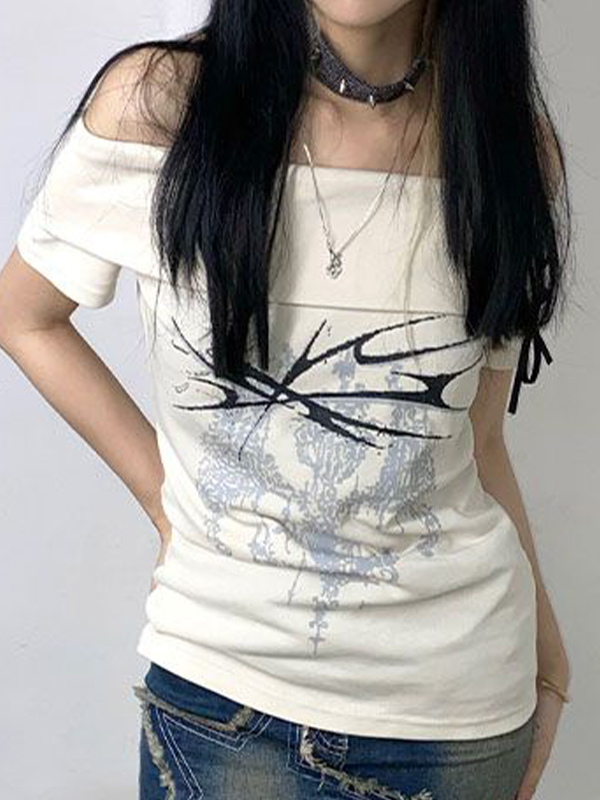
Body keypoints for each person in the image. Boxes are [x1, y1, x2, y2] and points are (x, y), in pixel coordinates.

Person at [0, 1, 573, 798]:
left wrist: (548, 655)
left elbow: (479, 443)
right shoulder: (159, 108)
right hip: (219, 697)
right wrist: (166, 504)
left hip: (457, 719)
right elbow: (24, 316)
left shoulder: (507, 147)